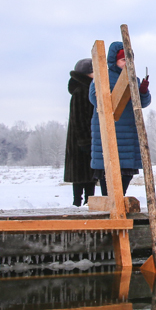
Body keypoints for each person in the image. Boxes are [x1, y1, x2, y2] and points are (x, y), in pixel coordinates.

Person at [89, 42, 151, 195]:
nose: (127, 63)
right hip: (109, 130)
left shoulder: (133, 79)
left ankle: (119, 204)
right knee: (108, 171)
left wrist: (143, 91)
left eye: (129, 60)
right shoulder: (102, 77)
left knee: (125, 173)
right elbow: (94, 99)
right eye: (123, 60)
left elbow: (142, 103)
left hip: (128, 133)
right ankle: (111, 207)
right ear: (114, 60)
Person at [64, 59, 99, 206]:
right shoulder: (81, 92)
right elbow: (79, 118)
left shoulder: (85, 90)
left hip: (85, 139)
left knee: (88, 176)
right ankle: (78, 203)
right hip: (82, 140)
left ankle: (87, 202)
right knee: (81, 175)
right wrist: (86, 141)